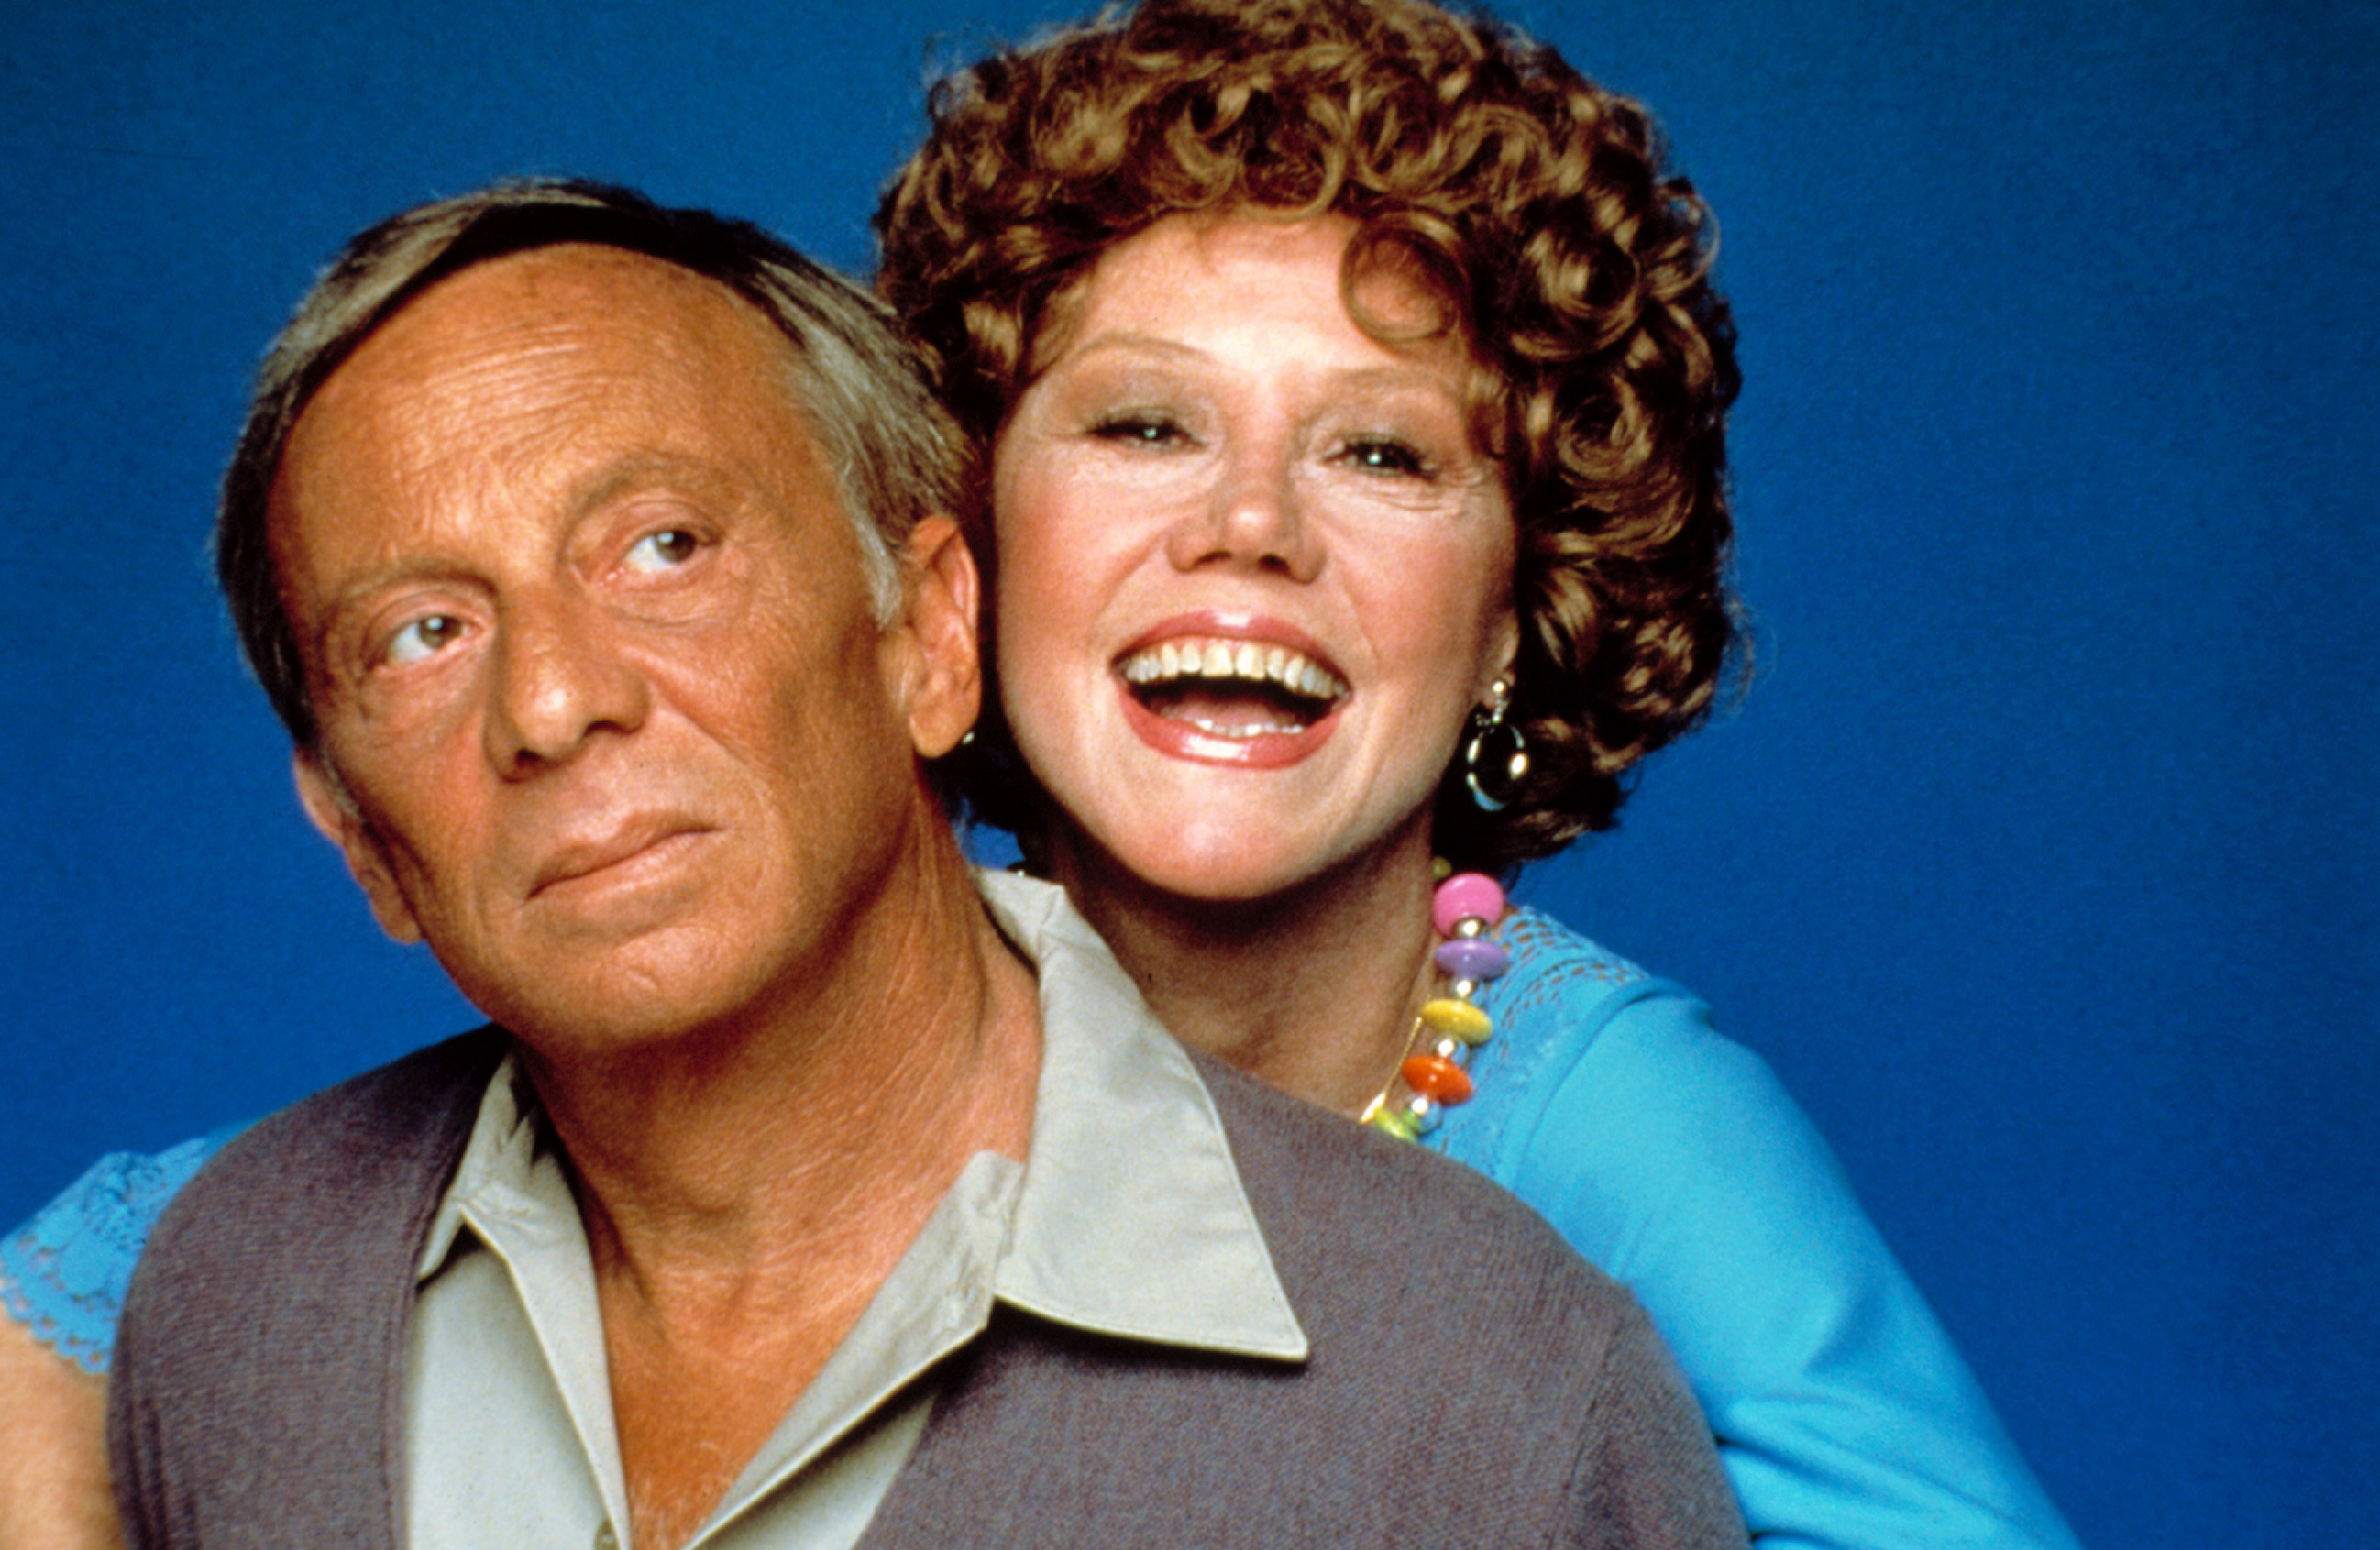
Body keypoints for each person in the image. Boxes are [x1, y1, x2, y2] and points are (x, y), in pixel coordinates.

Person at [1, 2, 2077, 1546]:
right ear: (948, 574)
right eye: (1144, 430)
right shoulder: (723, 999)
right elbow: (224, 1245)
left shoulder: (1593, 1146)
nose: (1247, 530)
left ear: (1517, 608)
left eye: (1378, 452)